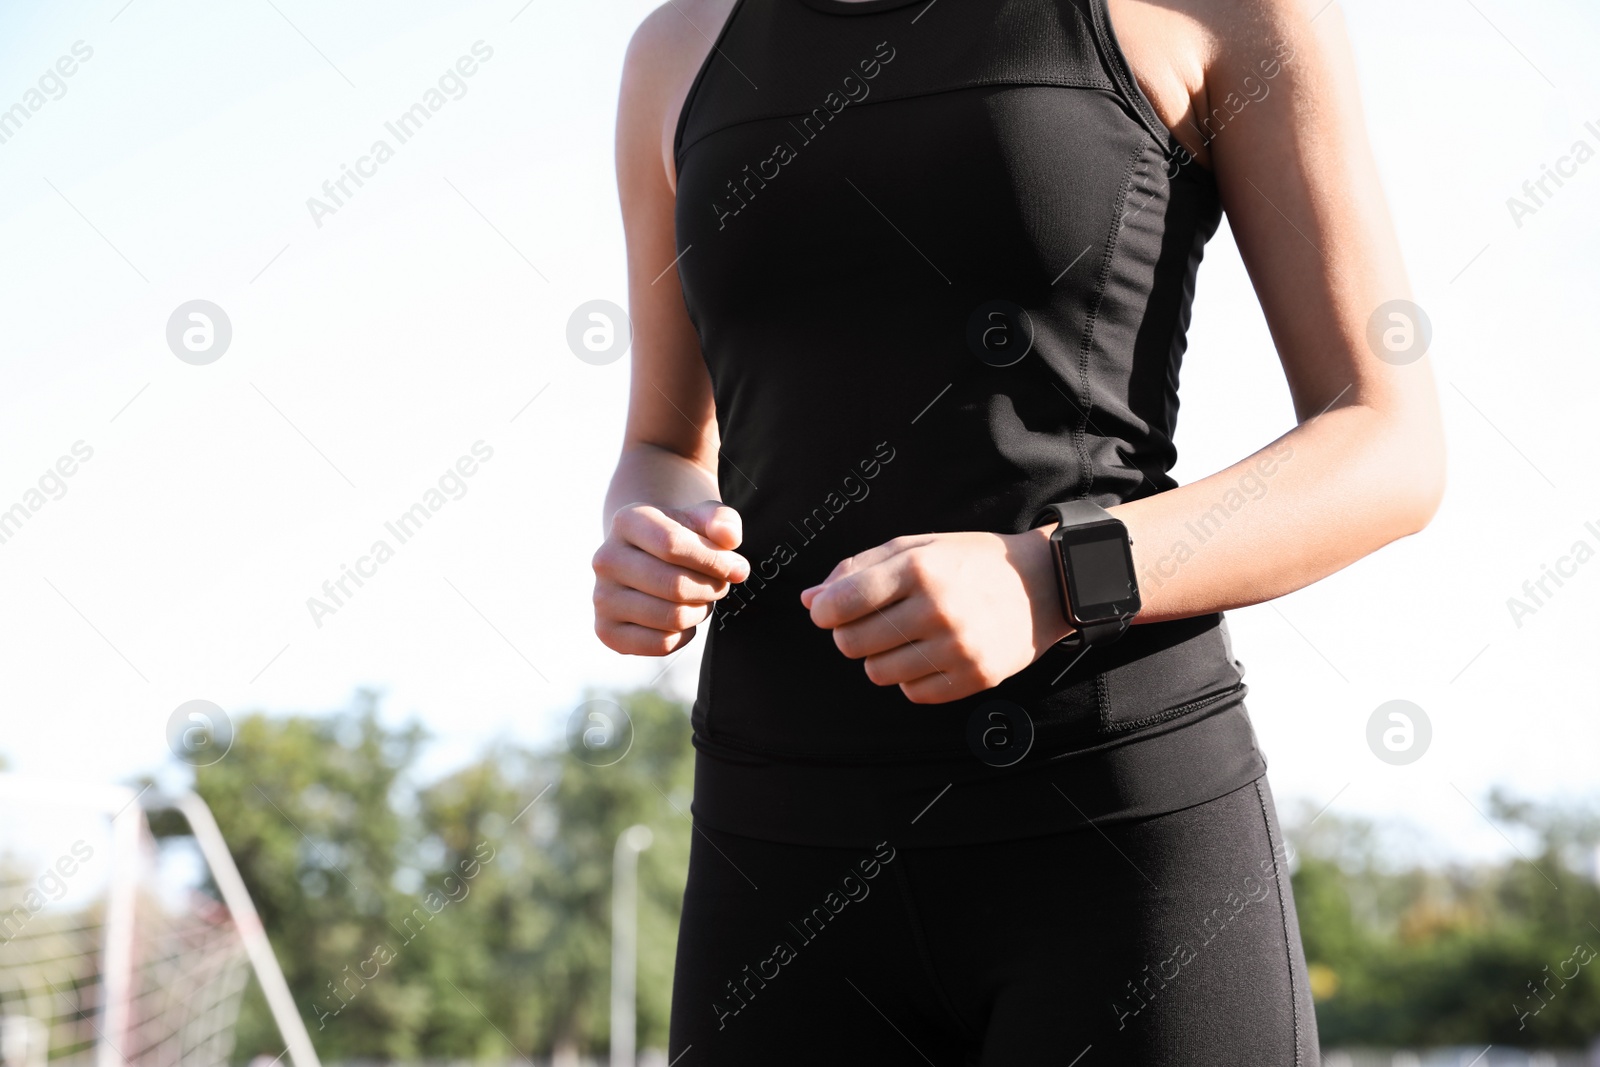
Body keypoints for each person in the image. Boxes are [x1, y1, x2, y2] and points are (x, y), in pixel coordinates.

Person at [593, 0, 1444, 1061]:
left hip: (1116, 845)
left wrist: (1052, 576)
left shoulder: (1219, 13)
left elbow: (1386, 443)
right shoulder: (676, 51)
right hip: (778, 852)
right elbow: (665, 442)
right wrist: (647, 527)